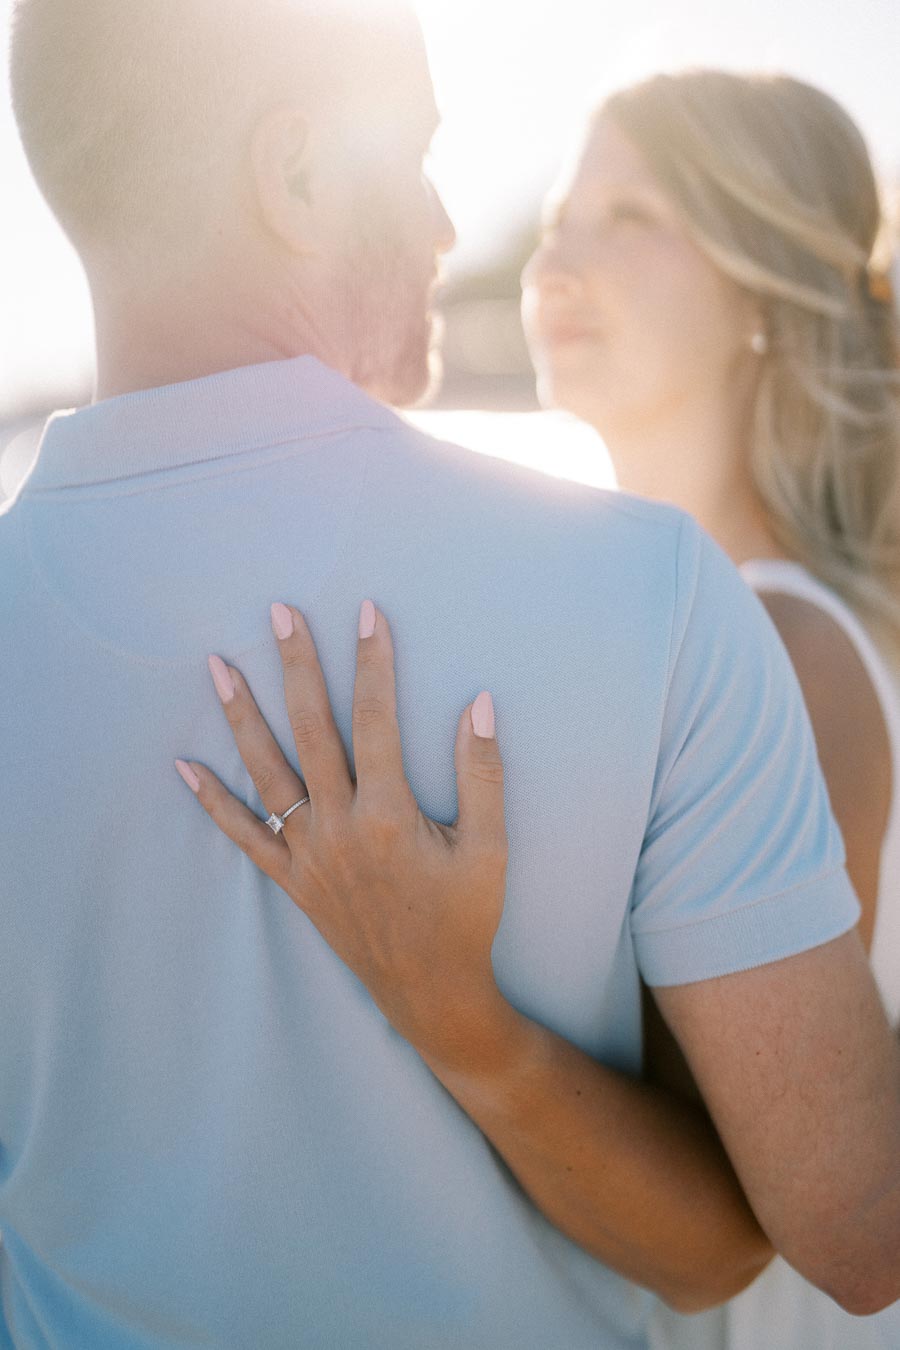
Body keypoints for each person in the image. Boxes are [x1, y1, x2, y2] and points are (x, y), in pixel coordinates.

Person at [2, 0, 899, 1342]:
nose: (451, 229)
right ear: (295, 173)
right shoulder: (649, 598)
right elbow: (842, 1222)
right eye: (413, 157)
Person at [517, 69, 900, 1349]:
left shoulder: (781, 647)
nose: (558, 257)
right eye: (564, 215)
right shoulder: (702, 626)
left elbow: (736, 1218)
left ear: (759, 286)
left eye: (632, 216)